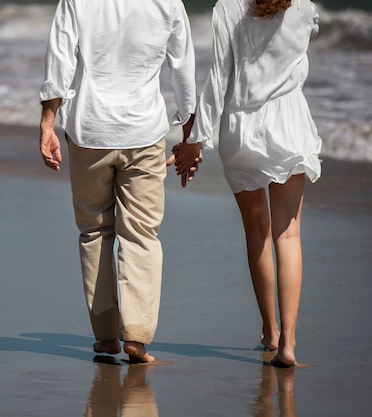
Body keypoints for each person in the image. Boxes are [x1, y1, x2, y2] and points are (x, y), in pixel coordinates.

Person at [38, 0, 197, 363]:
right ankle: (137, 337)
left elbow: (59, 59)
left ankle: (107, 336)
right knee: (142, 235)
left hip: (89, 129)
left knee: (94, 232)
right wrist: (190, 135)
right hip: (144, 131)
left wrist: (48, 121)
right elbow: (182, 70)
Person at [174, 0, 322, 367]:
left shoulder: (228, 6)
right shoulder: (305, 5)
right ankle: (288, 343)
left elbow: (220, 75)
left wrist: (197, 139)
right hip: (290, 123)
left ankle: (269, 331)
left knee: (258, 234)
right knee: (288, 236)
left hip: (242, 129)